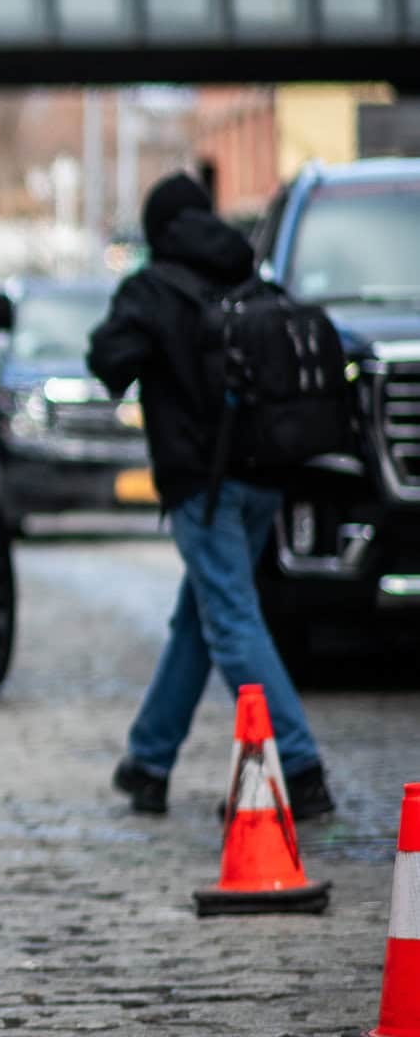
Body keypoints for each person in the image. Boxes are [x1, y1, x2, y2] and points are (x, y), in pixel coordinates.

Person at [86, 173, 333, 819]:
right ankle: (148, 760)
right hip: (264, 477)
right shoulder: (247, 270)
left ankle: (298, 767)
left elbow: (107, 360)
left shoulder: (153, 288)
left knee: (229, 620)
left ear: (157, 229)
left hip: (204, 484)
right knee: (201, 616)